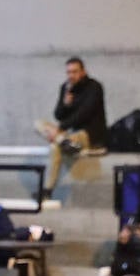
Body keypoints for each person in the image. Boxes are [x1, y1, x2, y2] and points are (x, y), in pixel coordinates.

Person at [35, 57, 108, 197]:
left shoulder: (94, 87)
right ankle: (63, 141)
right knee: (38, 124)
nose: (71, 75)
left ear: (83, 72)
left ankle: (47, 190)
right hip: (70, 136)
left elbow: (85, 113)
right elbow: (58, 115)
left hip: (90, 135)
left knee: (55, 147)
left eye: (74, 72)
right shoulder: (66, 88)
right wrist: (65, 104)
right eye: (68, 72)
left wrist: (59, 128)